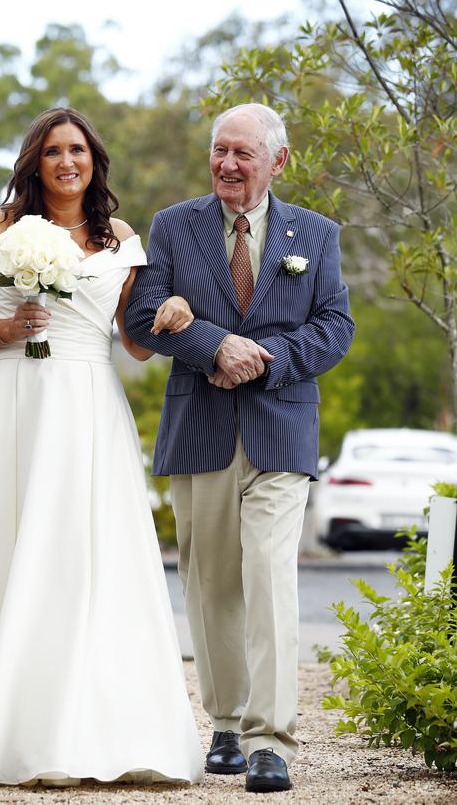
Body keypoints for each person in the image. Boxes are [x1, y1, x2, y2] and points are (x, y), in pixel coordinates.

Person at [0, 107, 204, 786]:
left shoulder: (120, 236)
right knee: (7, 552)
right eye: (52, 152)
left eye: (77, 150)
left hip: (89, 406)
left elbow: (131, 340)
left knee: (87, 559)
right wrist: (11, 329)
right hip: (13, 401)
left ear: (95, 159)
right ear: (34, 163)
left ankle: (94, 726)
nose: (66, 161)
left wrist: (172, 315)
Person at [124, 103, 355, 794]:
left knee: (271, 575)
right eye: (219, 150)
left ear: (277, 161)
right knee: (212, 581)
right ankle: (224, 723)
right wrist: (211, 344)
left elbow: (336, 325)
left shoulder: (315, 234)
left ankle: (269, 739)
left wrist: (267, 356)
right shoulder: (174, 225)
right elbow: (142, 317)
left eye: (242, 153)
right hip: (199, 429)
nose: (226, 163)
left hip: (281, 429)